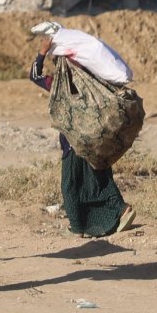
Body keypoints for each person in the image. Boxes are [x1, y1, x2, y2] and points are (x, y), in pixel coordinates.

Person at [27, 21, 137, 238]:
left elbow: (34, 76)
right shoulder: (95, 83)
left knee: (71, 185)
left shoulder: (59, 85)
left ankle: (79, 225)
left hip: (73, 143)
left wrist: (41, 54)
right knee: (100, 179)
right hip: (96, 140)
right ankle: (120, 211)